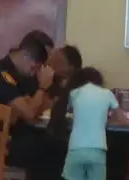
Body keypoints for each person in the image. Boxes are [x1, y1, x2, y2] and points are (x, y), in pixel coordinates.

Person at [0, 31, 56, 180]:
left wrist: (45, 87)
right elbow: (29, 113)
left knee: (50, 143)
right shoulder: (0, 74)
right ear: (26, 56)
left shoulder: (18, 74)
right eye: (35, 67)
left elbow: (39, 107)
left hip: (1, 140)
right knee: (49, 148)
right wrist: (42, 88)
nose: (36, 71)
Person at [62, 67, 129, 180]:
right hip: (98, 150)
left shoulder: (74, 93)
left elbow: (69, 111)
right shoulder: (107, 93)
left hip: (76, 149)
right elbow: (122, 120)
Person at [46, 45, 83, 179]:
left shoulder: (81, 84)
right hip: (55, 132)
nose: (53, 65)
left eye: (58, 62)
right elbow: (46, 103)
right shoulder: (52, 81)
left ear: (71, 66)